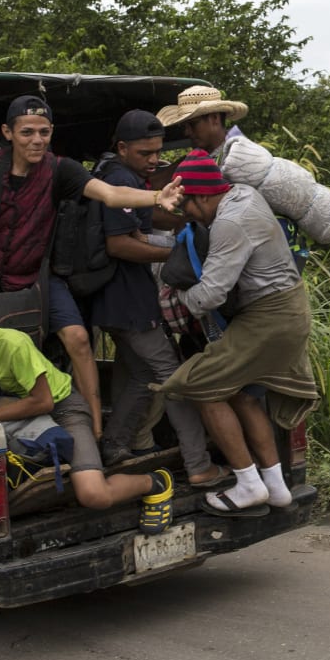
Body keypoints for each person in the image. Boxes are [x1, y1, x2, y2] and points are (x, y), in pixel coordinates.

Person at [0, 95, 183, 440]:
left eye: (44, 132)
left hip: (36, 275)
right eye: (27, 132)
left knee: (78, 338)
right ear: (8, 132)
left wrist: (156, 198)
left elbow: (109, 194)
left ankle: (94, 425)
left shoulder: (61, 168)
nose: (36, 140)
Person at [152, 150, 318, 516]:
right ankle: (276, 487)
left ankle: (247, 484)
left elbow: (212, 293)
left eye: (188, 208)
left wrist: (177, 295)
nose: (188, 217)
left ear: (203, 195)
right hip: (289, 311)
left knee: (199, 385)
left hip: (269, 318)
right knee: (241, 394)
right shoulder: (245, 193)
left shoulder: (230, 222)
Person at [0, 292, 172, 515]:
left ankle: (155, 481)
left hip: (61, 406)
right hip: (14, 414)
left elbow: (43, 401)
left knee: (94, 495)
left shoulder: (12, 343)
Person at [92, 110, 225, 484]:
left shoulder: (126, 177)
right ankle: (199, 466)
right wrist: (178, 253)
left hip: (120, 300)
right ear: (122, 148)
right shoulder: (118, 180)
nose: (154, 160)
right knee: (173, 379)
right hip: (127, 300)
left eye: (157, 152)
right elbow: (119, 244)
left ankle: (116, 444)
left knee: (140, 375)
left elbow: (142, 231)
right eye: (144, 153)